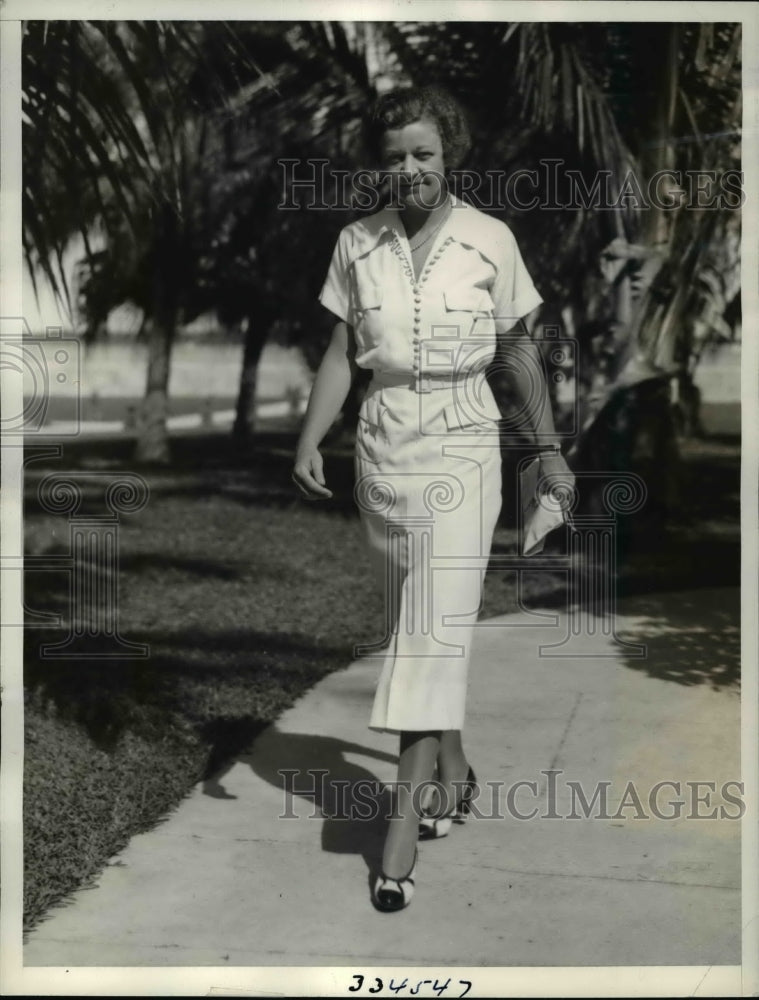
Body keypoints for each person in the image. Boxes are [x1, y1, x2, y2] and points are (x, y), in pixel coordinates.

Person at [292, 86, 574, 912]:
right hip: (381, 448)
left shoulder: (490, 239)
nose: (408, 168)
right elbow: (342, 351)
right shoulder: (356, 242)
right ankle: (454, 768)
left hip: (463, 442)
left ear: (449, 155)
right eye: (394, 157)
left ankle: (399, 834)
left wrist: (548, 453)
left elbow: (518, 354)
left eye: (423, 153)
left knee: (429, 634)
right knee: (412, 628)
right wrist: (309, 438)